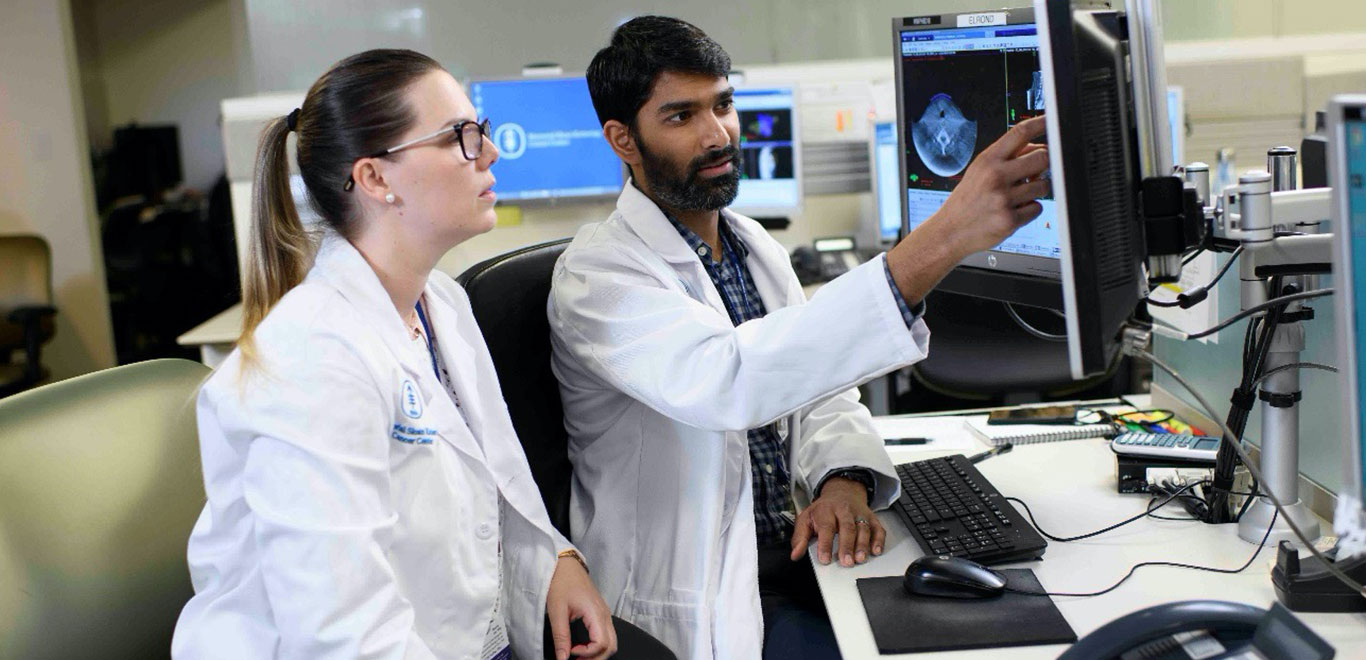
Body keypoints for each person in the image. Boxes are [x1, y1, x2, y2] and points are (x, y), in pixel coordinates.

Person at [546, 16, 1051, 660]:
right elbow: (732, 381)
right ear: (623, 138)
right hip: (704, 592)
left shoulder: (750, 245)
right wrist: (942, 237)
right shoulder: (598, 275)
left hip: (790, 561)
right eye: (681, 117)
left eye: (723, 104)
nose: (718, 133)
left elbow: (820, 394)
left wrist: (842, 478)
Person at [171, 49, 618, 660]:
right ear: (376, 179)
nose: (490, 152)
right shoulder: (311, 360)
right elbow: (342, 635)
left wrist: (557, 557)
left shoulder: (442, 302)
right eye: (460, 137)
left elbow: (500, 474)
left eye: (481, 131)